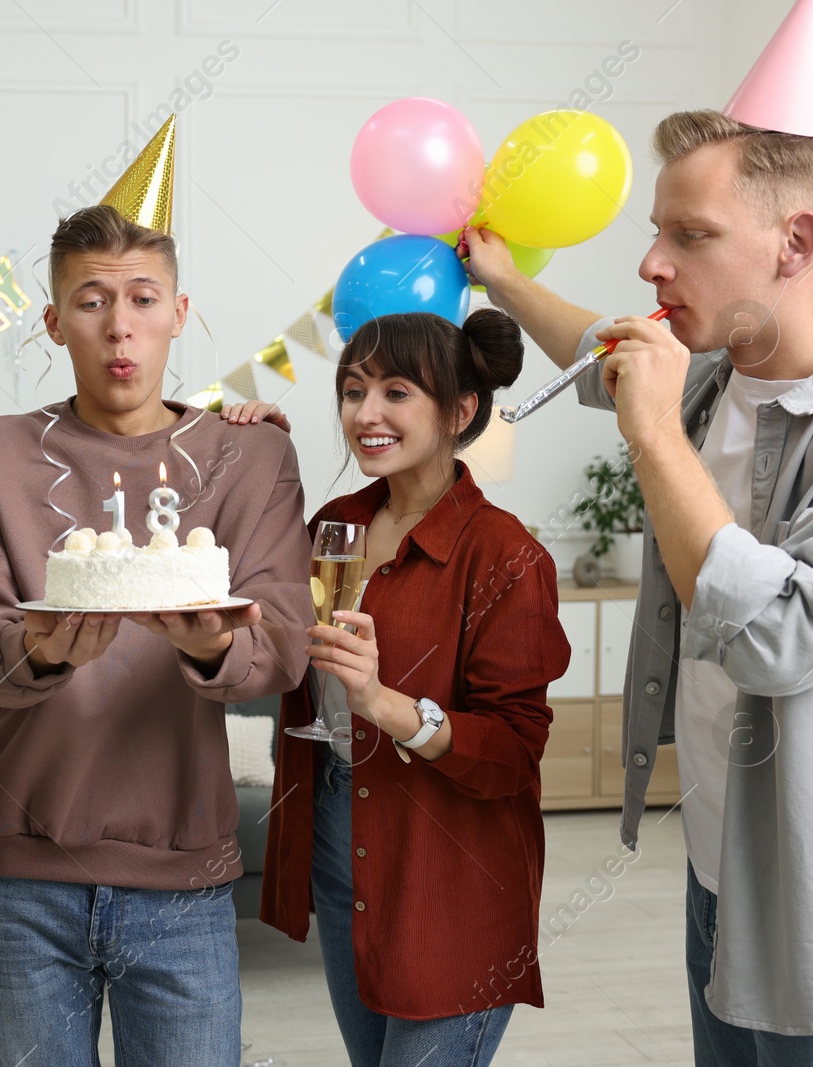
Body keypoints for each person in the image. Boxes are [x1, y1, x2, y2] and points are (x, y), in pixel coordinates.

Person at [466, 102, 813, 1061]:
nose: (652, 263)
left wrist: (649, 435)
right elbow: (600, 348)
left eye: (690, 235)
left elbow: (777, 640)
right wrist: (506, 279)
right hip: (724, 865)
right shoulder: (716, 375)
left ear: (795, 242)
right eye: (657, 231)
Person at [0, 200, 312, 1066]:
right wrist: (44, 648)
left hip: (182, 879)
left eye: (142, 298)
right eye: (92, 300)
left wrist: (211, 642)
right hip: (19, 875)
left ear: (180, 312)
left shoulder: (249, 457)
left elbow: (281, 646)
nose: (119, 327)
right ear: (53, 321)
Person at [231, 310, 569, 1067]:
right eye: (352, 390)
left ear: (459, 410)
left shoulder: (506, 555)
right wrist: (255, 454)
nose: (366, 413)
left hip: (450, 879)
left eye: (395, 391)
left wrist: (388, 706)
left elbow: (513, 752)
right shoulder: (333, 524)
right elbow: (244, 595)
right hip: (339, 848)